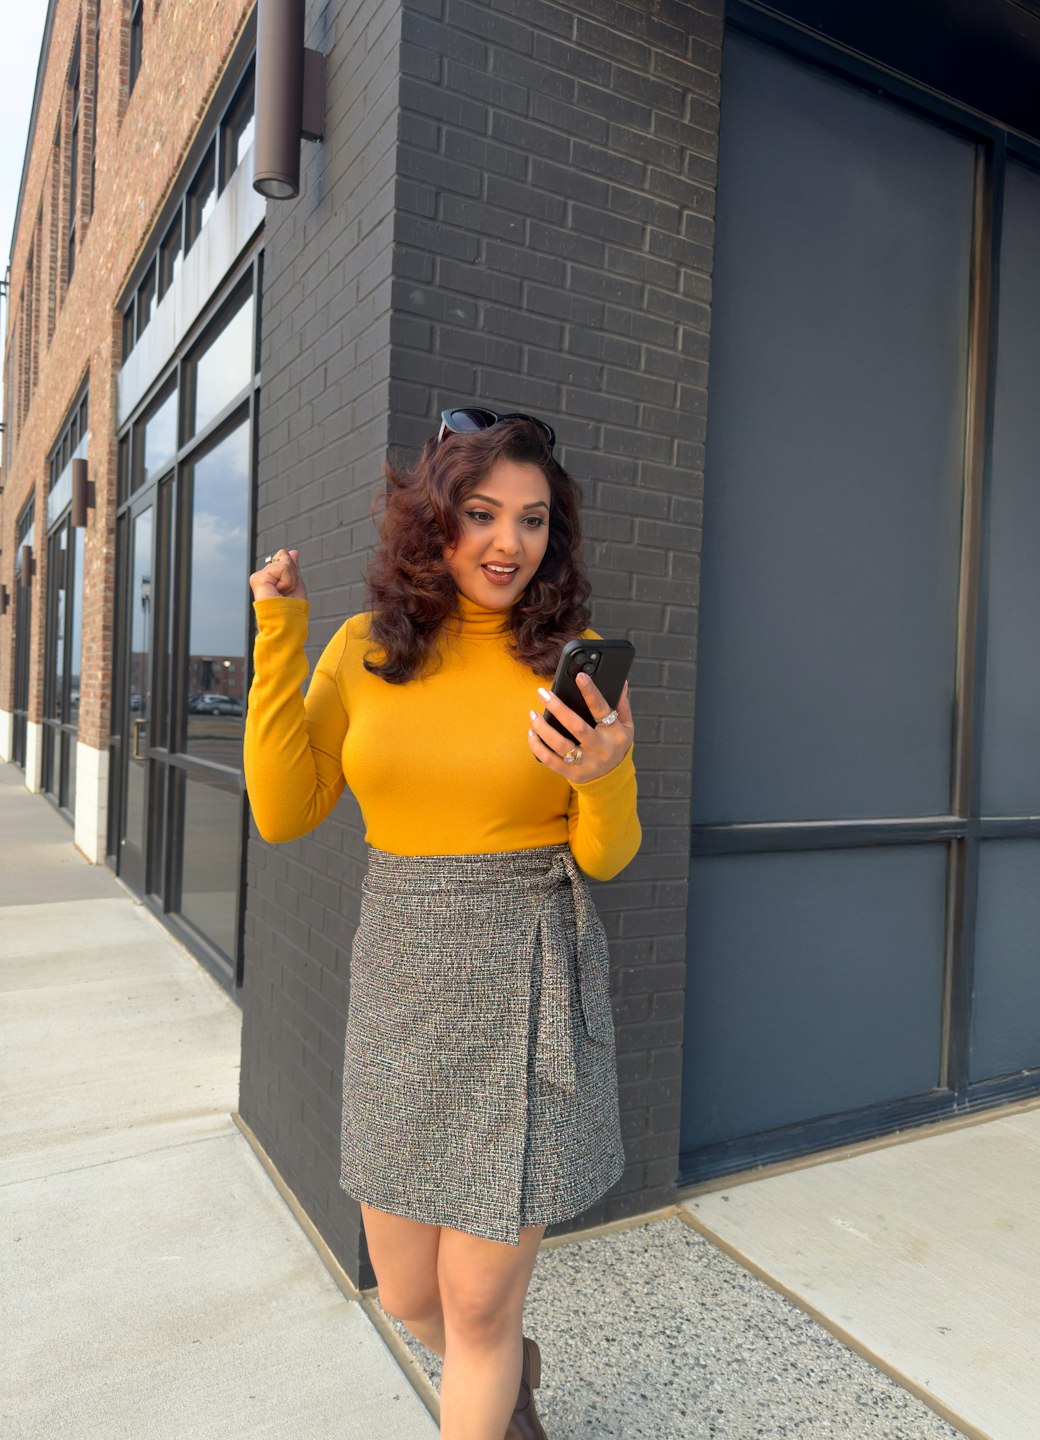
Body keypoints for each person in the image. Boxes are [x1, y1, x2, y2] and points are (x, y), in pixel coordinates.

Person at [244, 407, 641, 1440]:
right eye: (482, 513)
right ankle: (512, 1377)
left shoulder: (565, 662)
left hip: (522, 977)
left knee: (475, 1306)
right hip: (401, 980)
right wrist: (279, 637)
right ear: (436, 520)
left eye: (533, 519)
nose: (510, 542)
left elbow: (606, 856)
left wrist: (606, 774)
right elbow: (284, 812)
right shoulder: (363, 650)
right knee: (410, 1294)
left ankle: (494, 1376)